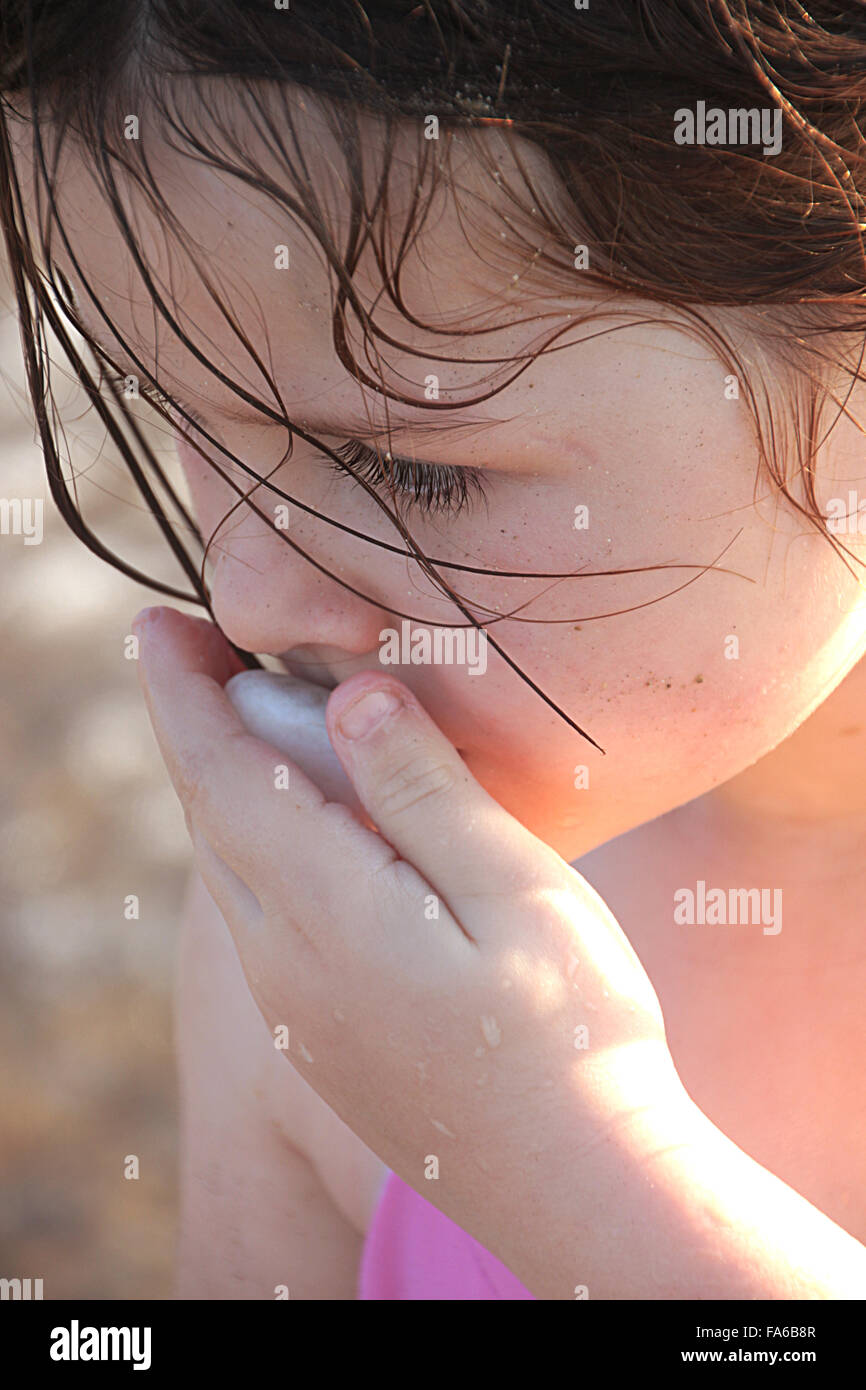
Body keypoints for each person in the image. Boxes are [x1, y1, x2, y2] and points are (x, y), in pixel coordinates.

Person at [3, 1, 866, 1298]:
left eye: (409, 465)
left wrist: (571, 1159)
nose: (246, 601)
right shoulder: (342, 938)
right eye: (174, 408)